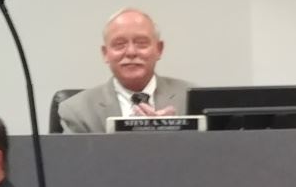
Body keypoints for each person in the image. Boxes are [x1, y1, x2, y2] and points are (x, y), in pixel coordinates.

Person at [55, 8, 194, 132]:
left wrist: (172, 134)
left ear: (159, 49)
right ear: (105, 53)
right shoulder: (78, 111)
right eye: (119, 44)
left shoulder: (190, 98)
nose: (131, 52)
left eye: (141, 43)